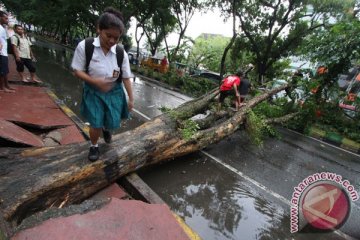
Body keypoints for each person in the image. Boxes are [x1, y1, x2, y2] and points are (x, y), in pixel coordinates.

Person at [71, 7, 134, 162]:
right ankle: (94, 146)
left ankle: (106, 128)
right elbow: (76, 71)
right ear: (99, 29)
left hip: (114, 91)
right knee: (95, 123)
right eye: (108, 35)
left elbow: (126, 77)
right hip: (94, 92)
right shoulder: (85, 46)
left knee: (112, 120)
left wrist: (131, 99)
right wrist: (95, 82)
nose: (112, 41)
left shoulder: (121, 53)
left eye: (116, 38)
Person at [0, 11, 15, 93]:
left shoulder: (3, 28)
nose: (7, 20)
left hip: (4, 53)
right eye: (5, 18)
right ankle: (2, 88)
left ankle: (6, 85)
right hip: (1, 53)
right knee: (2, 71)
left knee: (5, 70)